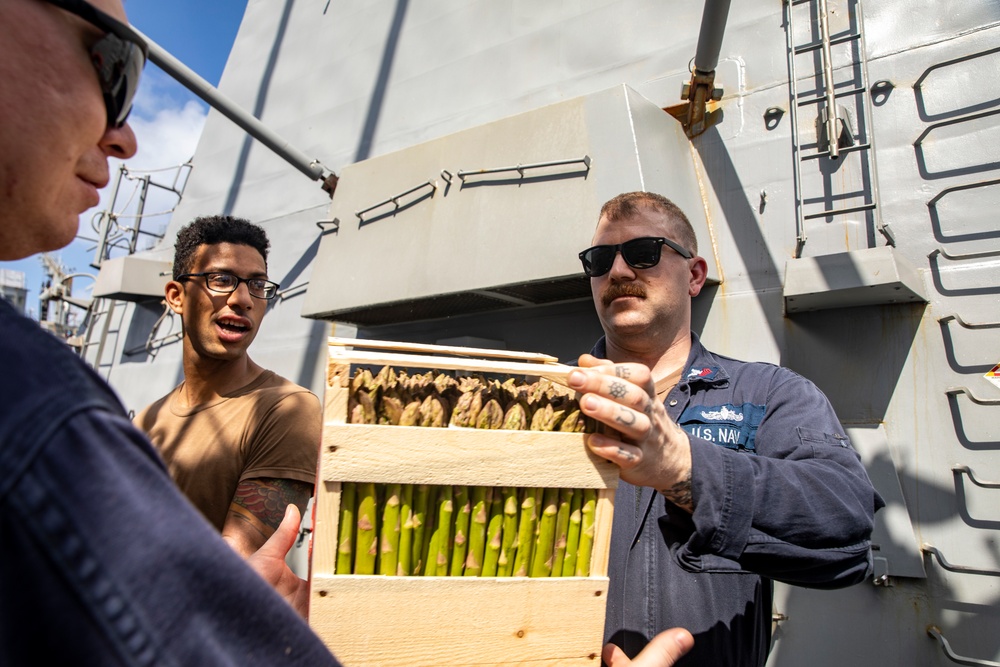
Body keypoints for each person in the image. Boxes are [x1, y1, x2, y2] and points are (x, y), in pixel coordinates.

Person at [0, 2, 692, 665]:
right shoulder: (96, 411)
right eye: (115, 69)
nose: (127, 137)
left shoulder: (277, 411)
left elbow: (219, 583)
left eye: (259, 285)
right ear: (175, 294)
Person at [565, 191, 885, 666]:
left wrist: (685, 468)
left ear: (694, 275)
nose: (618, 272)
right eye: (599, 260)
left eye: (643, 253)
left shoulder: (769, 394)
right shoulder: (550, 403)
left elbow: (846, 534)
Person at [135, 216, 320, 558]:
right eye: (221, 279)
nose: (243, 299)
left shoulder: (289, 410)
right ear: (177, 296)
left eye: (257, 285)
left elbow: (238, 563)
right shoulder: (147, 420)